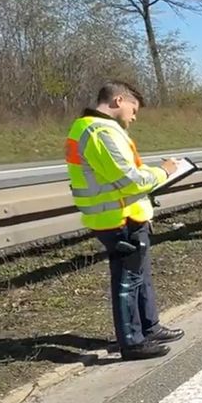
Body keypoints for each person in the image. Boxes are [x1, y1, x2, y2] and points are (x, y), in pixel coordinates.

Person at [66, 81, 183, 361]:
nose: (135, 115)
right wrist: (165, 171)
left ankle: (149, 328)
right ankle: (132, 342)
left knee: (139, 276)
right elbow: (129, 179)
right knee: (128, 280)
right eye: (134, 108)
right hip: (117, 218)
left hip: (124, 214)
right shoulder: (99, 131)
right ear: (119, 100)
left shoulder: (91, 128)